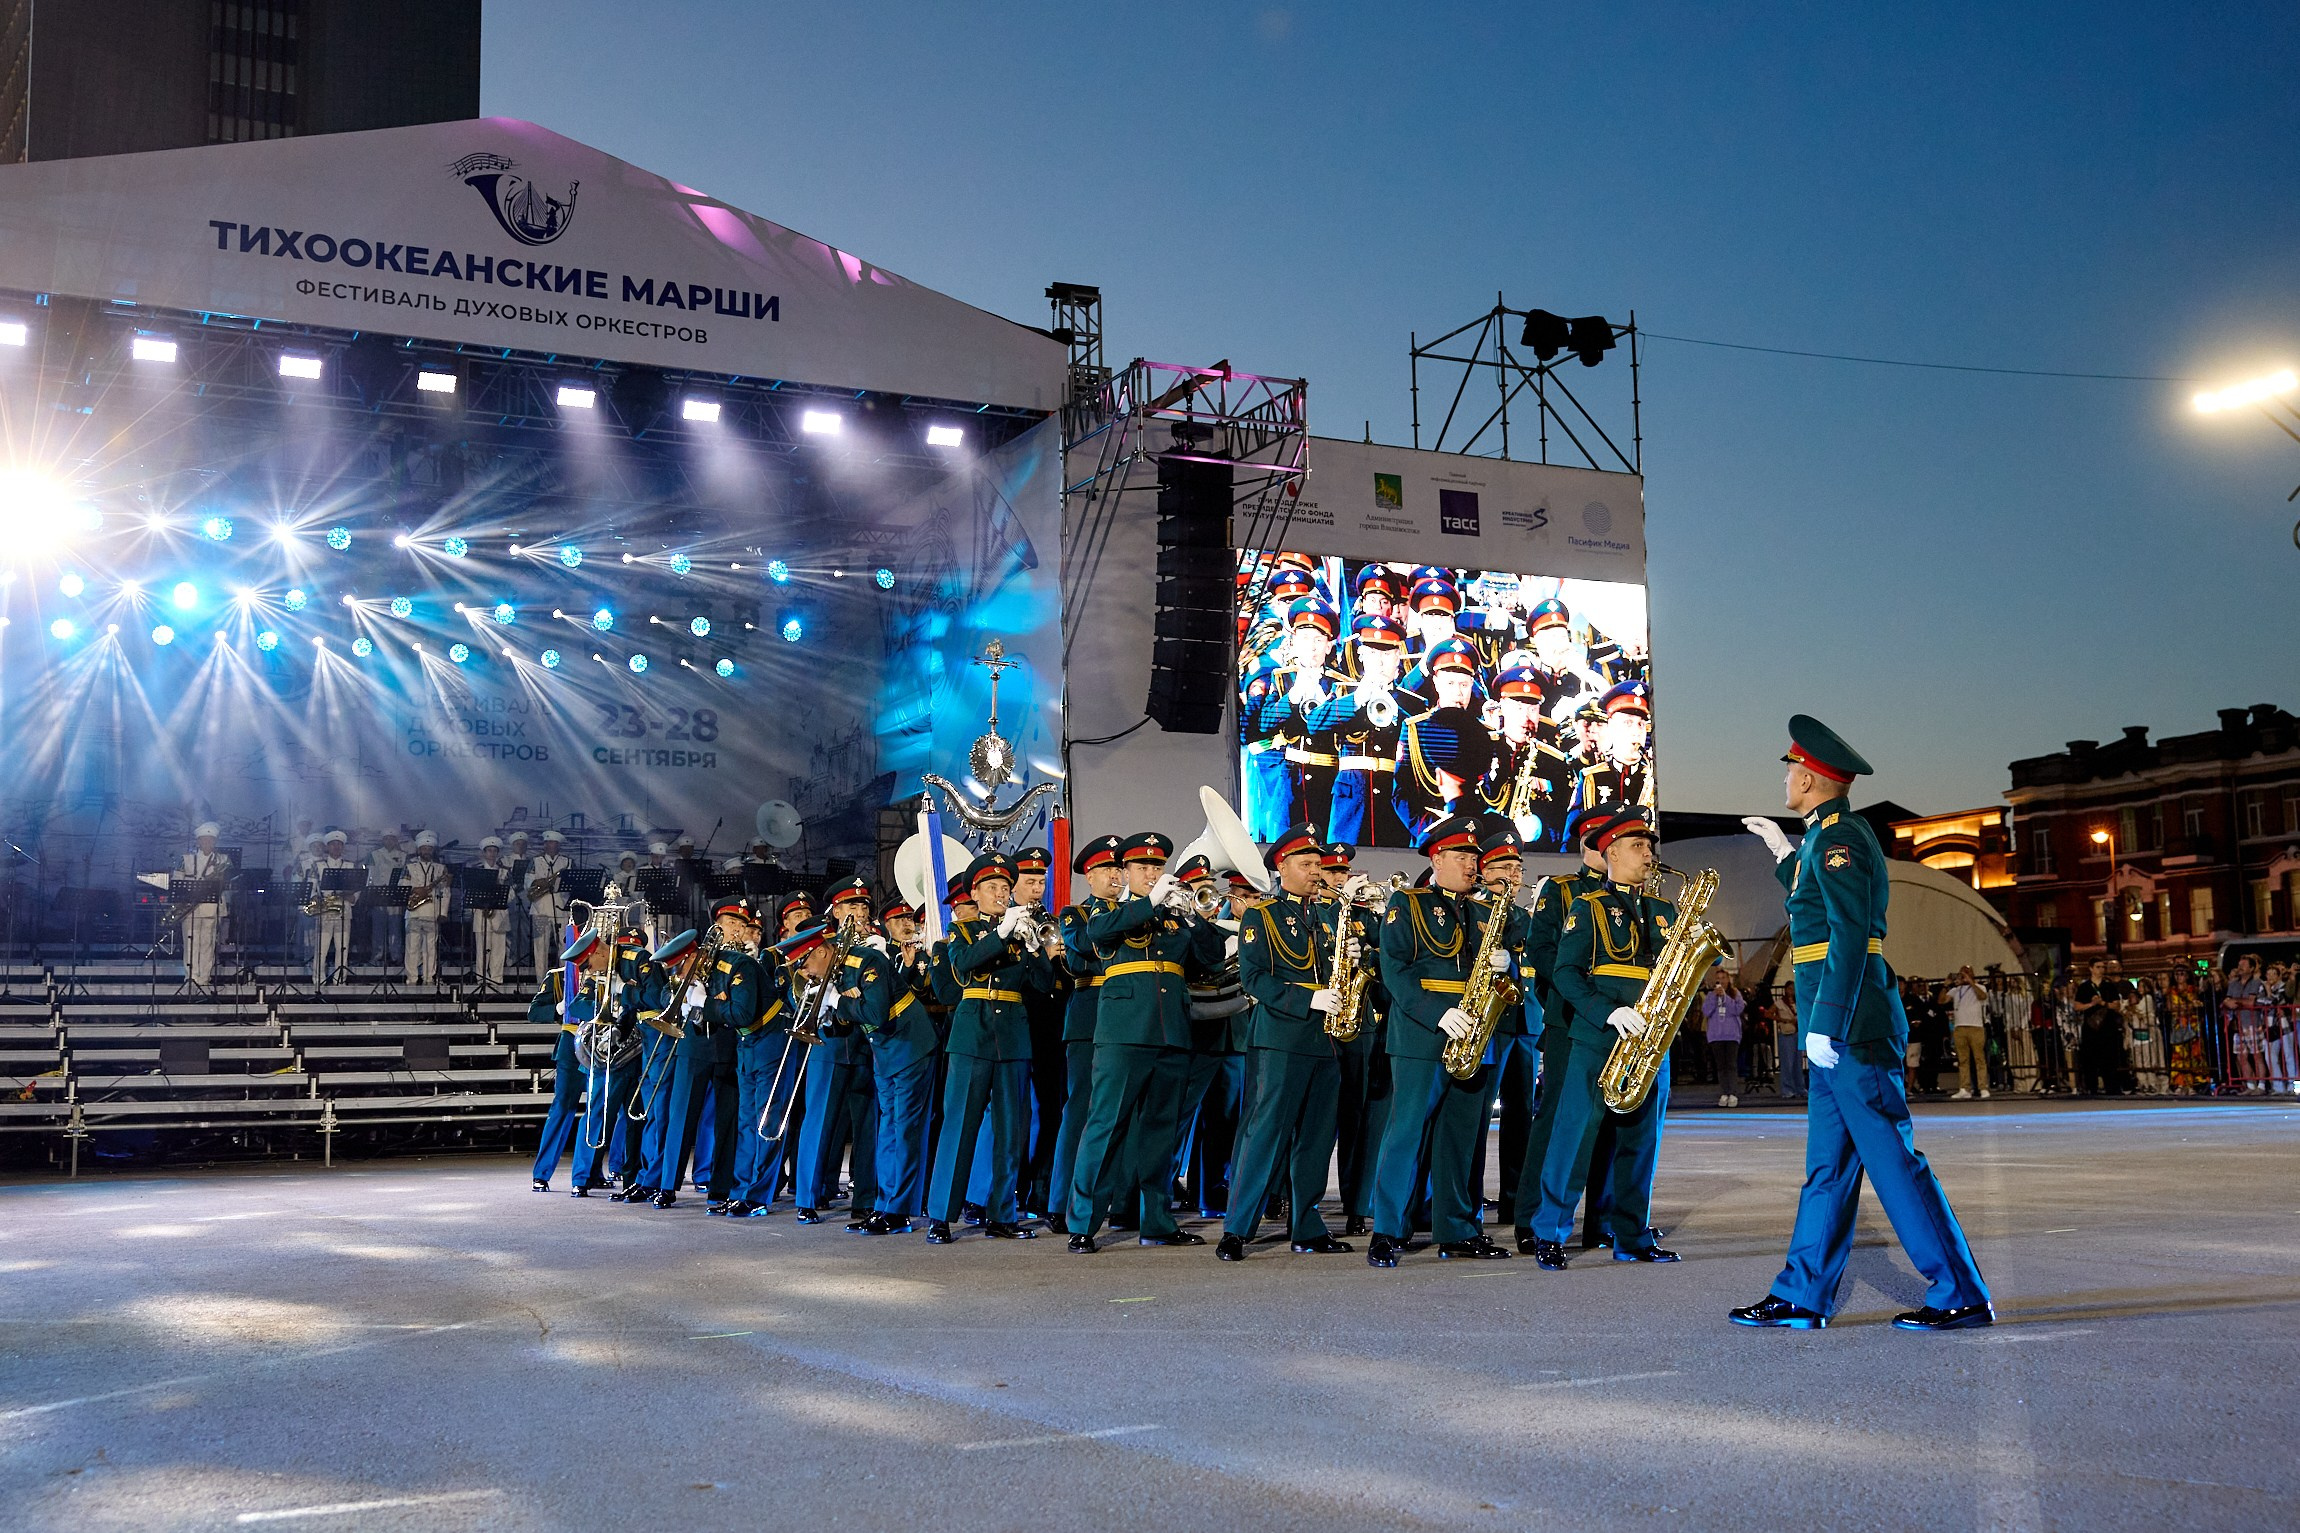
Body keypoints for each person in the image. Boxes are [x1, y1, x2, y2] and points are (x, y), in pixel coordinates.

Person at [1729, 715, 1992, 1332]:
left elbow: (1850, 932)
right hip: (1834, 1023)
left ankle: (1959, 1290)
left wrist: (1827, 1022)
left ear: (1811, 777)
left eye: (1793, 769)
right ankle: (1803, 1292)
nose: (1787, 778)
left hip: (1848, 1023)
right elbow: (1814, 899)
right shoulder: (1824, 838)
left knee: (1893, 1160)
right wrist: (1783, 856)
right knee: (1828, 1165)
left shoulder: (1843, 836)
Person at [1520, 807, 1685, 1270]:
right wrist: (1609, 1012)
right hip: (1597, 1034)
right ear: (1610, 852)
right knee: (1574, 1136)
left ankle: (1631, 1234)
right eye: (1638, 846)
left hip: (1652, 1036)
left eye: (1649, 846)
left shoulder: (1665, 910)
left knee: (1641, 1141)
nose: (1648, 854)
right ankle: (1549, 1232)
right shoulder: (1586, 906)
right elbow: (1566, 973)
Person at [1365, 812, 1517, 1267]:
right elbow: (1395, 970)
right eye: (1463, 855)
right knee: (1406, 1133)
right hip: (1421, 1034)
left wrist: (1504, 966)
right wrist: (1438, 1013)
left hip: (1475, 1029)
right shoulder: (1407, 904)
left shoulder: (1485, 910)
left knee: (1460, 1138)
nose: (1473, 864)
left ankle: (1457, 1228)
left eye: (1474, 855)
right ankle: (1388, 1230)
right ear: (1438, 857)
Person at [1066, 832, 1226, 1252]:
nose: (1153, 874)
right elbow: (1089, 939)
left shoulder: (1173, 917)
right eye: (1143, 868)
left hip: (1170, 1031)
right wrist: (1150, 904)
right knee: (1106, 1125)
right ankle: (1084, 1223)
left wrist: (1194, 915)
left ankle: (1156, 1220)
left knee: (1160, 1131)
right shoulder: (1107, 912)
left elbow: (1210, 958)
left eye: (1158, 867)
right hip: (1123, 1034)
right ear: (1124, 873)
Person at [1217, 823, 1350, 1259]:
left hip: (1325, 1042)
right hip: (1280, 1039)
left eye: (1318, 864)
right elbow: (1254, 979)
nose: (1317, 871)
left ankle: (1307, 1226)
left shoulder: (1329, 917)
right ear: (1282, 866)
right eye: (1307, 864)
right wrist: (1311, 998)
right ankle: (1237, 1228)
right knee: (1265, 1133)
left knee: (1316, 1138)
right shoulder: (1262, 915)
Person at [926, 854, 1054, 1243]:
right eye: (991, 888)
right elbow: (963, 967)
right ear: (975, 894)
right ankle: (941, 1217)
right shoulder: (959, 932)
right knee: (959, 1126)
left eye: (1004, 888)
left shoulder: (1020, 932)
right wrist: (1000, 936)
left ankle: (1002, 1214)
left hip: (1013, 1034)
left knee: (1011, 1130)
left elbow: (1044, 985)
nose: (1000, 894)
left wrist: (1034, 949)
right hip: (973, 1032)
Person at [1509, 806, 1619, 1254]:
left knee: (1611, 1120)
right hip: (1570, 1021)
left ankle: (1602, 1221)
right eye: (1597, 842)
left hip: (1619, 1022)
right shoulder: (1560, 890)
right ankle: (1530, 1217)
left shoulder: (1630, 896)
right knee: (1555, 1118)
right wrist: (1586, 1002)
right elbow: (1542, 950)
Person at [657, 898, 762, 1211]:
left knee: (728, 1121)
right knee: (682, 1117)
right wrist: (688, 998)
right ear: (717, 925)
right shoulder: (698, 953)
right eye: (731, 924)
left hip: (730, 1045)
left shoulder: (747, 962)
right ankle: (666, 1185)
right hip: (694, 1045)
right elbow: (668, 991)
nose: (737, 931)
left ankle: (721, 1186)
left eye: (742, 926)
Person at [846, 896, 939, 1234]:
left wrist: (840, 1003)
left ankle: (899, 1210)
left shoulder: (866, 959)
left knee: (904, 1128)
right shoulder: (847, 963)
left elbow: (872, 1011)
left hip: (909, 1046)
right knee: (888, 1128)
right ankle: (885, 1204)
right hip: (885, 1051)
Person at [1046, 834, 1123, 1236]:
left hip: (1128, 1017)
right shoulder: (1075, 914)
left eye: (1117, 868)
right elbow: (1078, 955)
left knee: (1124, 1113)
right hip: (1090, 1016)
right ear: (1088, 876)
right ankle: (1061, 1202)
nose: (1114, 874)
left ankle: (1121, 1202)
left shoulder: (1134, 912)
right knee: (1080, 1112)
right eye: (1105, 869)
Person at [792, 876, 880, 1223]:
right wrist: (815, 993)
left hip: (864, 1043)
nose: (859, 912)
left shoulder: (875, 946)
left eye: (863, 906)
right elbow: (796, 979)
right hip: (828, 1041)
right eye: (851, 906)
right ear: (836, 910)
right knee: (819, 1120)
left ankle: (867, 1198)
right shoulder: (819, 939)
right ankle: (807, 1198)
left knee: (867, 1124)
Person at [529, 926, 611, 1192]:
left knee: (596, 1112)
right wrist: (558, 1008)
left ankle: (585, 1175)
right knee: (562, 1107)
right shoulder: (559, 977)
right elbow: (534, 1013)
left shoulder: (608, 976)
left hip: (601, 1047)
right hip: (571, 1046)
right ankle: (542, 1173)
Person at [179, 822, 233, 991]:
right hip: (190, 908)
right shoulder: (186, 859)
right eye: (204, 840)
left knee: (207, 943)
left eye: (211, 840)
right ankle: (191, 977)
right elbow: (177, 881)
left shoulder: (223, 860)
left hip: (211, 906)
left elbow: (229, 880)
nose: (208, 843)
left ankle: (204, 977)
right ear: (198, 841)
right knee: (190, 942)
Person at [311, 830, 358, 985]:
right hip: (325, 911)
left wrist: (353, 897)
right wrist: (315, 899)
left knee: (342, 948)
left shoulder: (350, 865)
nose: (336, 847)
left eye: (339, 844)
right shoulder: (318, 866)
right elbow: (312, 887)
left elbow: (357, 888)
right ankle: (318, 979)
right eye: (333, 844)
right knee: (321, 948)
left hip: (344, 909)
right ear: (328, 847)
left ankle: (340, 980)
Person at [403, 831, 451, 985]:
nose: (427, 851)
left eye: (429, 849)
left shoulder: (440, 868)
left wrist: (443, 912)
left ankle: (429, 977)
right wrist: (417, 889)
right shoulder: (410, 867)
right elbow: (402, 886)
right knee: (412, 947)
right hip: (413, 912)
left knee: (431, 948)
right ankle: (411, 978)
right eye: (424, 848)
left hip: (433, 911)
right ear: (418, 850)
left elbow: (445, 891)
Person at [527, 830, 572, 980]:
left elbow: (572, 884)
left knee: (564, 945)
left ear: (558, 845)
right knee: (540, 947)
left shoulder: (567, 862)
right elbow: (529, 882)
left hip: (561, 908)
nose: (550, 845)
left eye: (553, 843)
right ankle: (542, 981)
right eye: (547, 843)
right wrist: (547, 881)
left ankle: (564, 979)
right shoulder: (535, 861)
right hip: (540, 908)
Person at [468, 837, 512, 985]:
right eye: (489, 851)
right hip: (482, 913)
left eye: (494, 851)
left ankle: (497, 978)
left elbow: (511, 893)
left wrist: (500, 893)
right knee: (482, 948)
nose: (492, 854)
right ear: (484, 853)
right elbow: (471, 892)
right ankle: (481, 978)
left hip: (500, 913)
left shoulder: (504, 872)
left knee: (499, 949)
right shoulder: (477, 871)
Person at [1946, 966, 1991, 1100]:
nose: (1964, 975)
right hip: (1960, 1027)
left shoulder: (1980, 987)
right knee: (1962, 1060)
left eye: (1967, 972)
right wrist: (1945, 985)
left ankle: (1983, 1087)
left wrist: (1971, 982)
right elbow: (1942, 1001)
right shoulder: (1956, 990)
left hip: (1976, 1027)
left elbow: (1982, 997)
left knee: (1979, 1058)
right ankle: (1964, 1088)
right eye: (1962, 973)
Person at [1701, 973, 1745, 1107]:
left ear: (1728, 980)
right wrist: (1715, 997)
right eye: (1718, 979)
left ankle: (1733, 1093)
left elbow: (1738, 1009)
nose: (1721, 981)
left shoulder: (1735, 994)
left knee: (1731, 1065)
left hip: (1731, 1035)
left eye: (1723, 978)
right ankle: (1724, 1092)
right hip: (1716, 1036)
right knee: (1721, 1066)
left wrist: (1725, 997)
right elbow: (1706, 1012)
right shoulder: (1710, 996)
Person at [367, 828, 408, 968]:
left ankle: (396, 956)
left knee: (395, 927)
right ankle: (377, 955)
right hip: (378, 894)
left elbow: (405, 876)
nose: (389, 841)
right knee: (378, 927)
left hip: (396, 895)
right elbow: (369, 875)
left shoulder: (403, 855)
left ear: (396, 840)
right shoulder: (374, 854)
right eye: (386, 838)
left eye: (392, 838)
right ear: (382, 840)